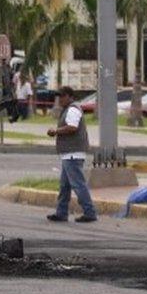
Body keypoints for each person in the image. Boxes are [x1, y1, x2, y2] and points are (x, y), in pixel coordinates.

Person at [46, 86, 97, 223]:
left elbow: (72, 127)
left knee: (78, 184)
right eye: (59, 97)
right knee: (64, 186)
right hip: (69, 154)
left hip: (73, 154)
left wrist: (55, 131)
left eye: (62, 96)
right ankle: (61, 213)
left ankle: (90, 212)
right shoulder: (68, 109)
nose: (60, 99)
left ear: (70, 96)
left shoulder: (73, 109)